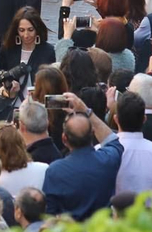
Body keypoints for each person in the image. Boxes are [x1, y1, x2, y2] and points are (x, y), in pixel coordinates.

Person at [40, 90, 121, 220]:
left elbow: (49, 213)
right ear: (93, 133)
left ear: (64, 139)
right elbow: (112, 141)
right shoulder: (108, 160)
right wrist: (86, 111)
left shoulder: (55, 170)